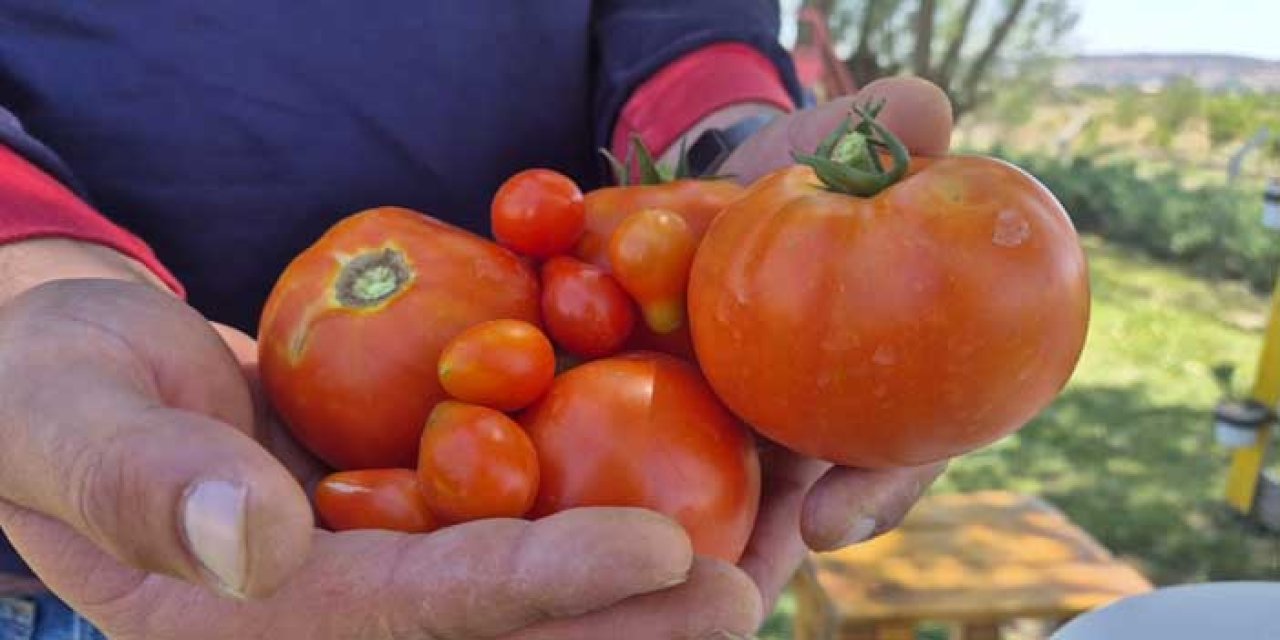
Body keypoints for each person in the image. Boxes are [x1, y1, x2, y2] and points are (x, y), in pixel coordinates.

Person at [0, 3, 952, 638]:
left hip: (598, 435)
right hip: (53, 574)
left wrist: (732, 172)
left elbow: (683, 15)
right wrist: (28, 267)